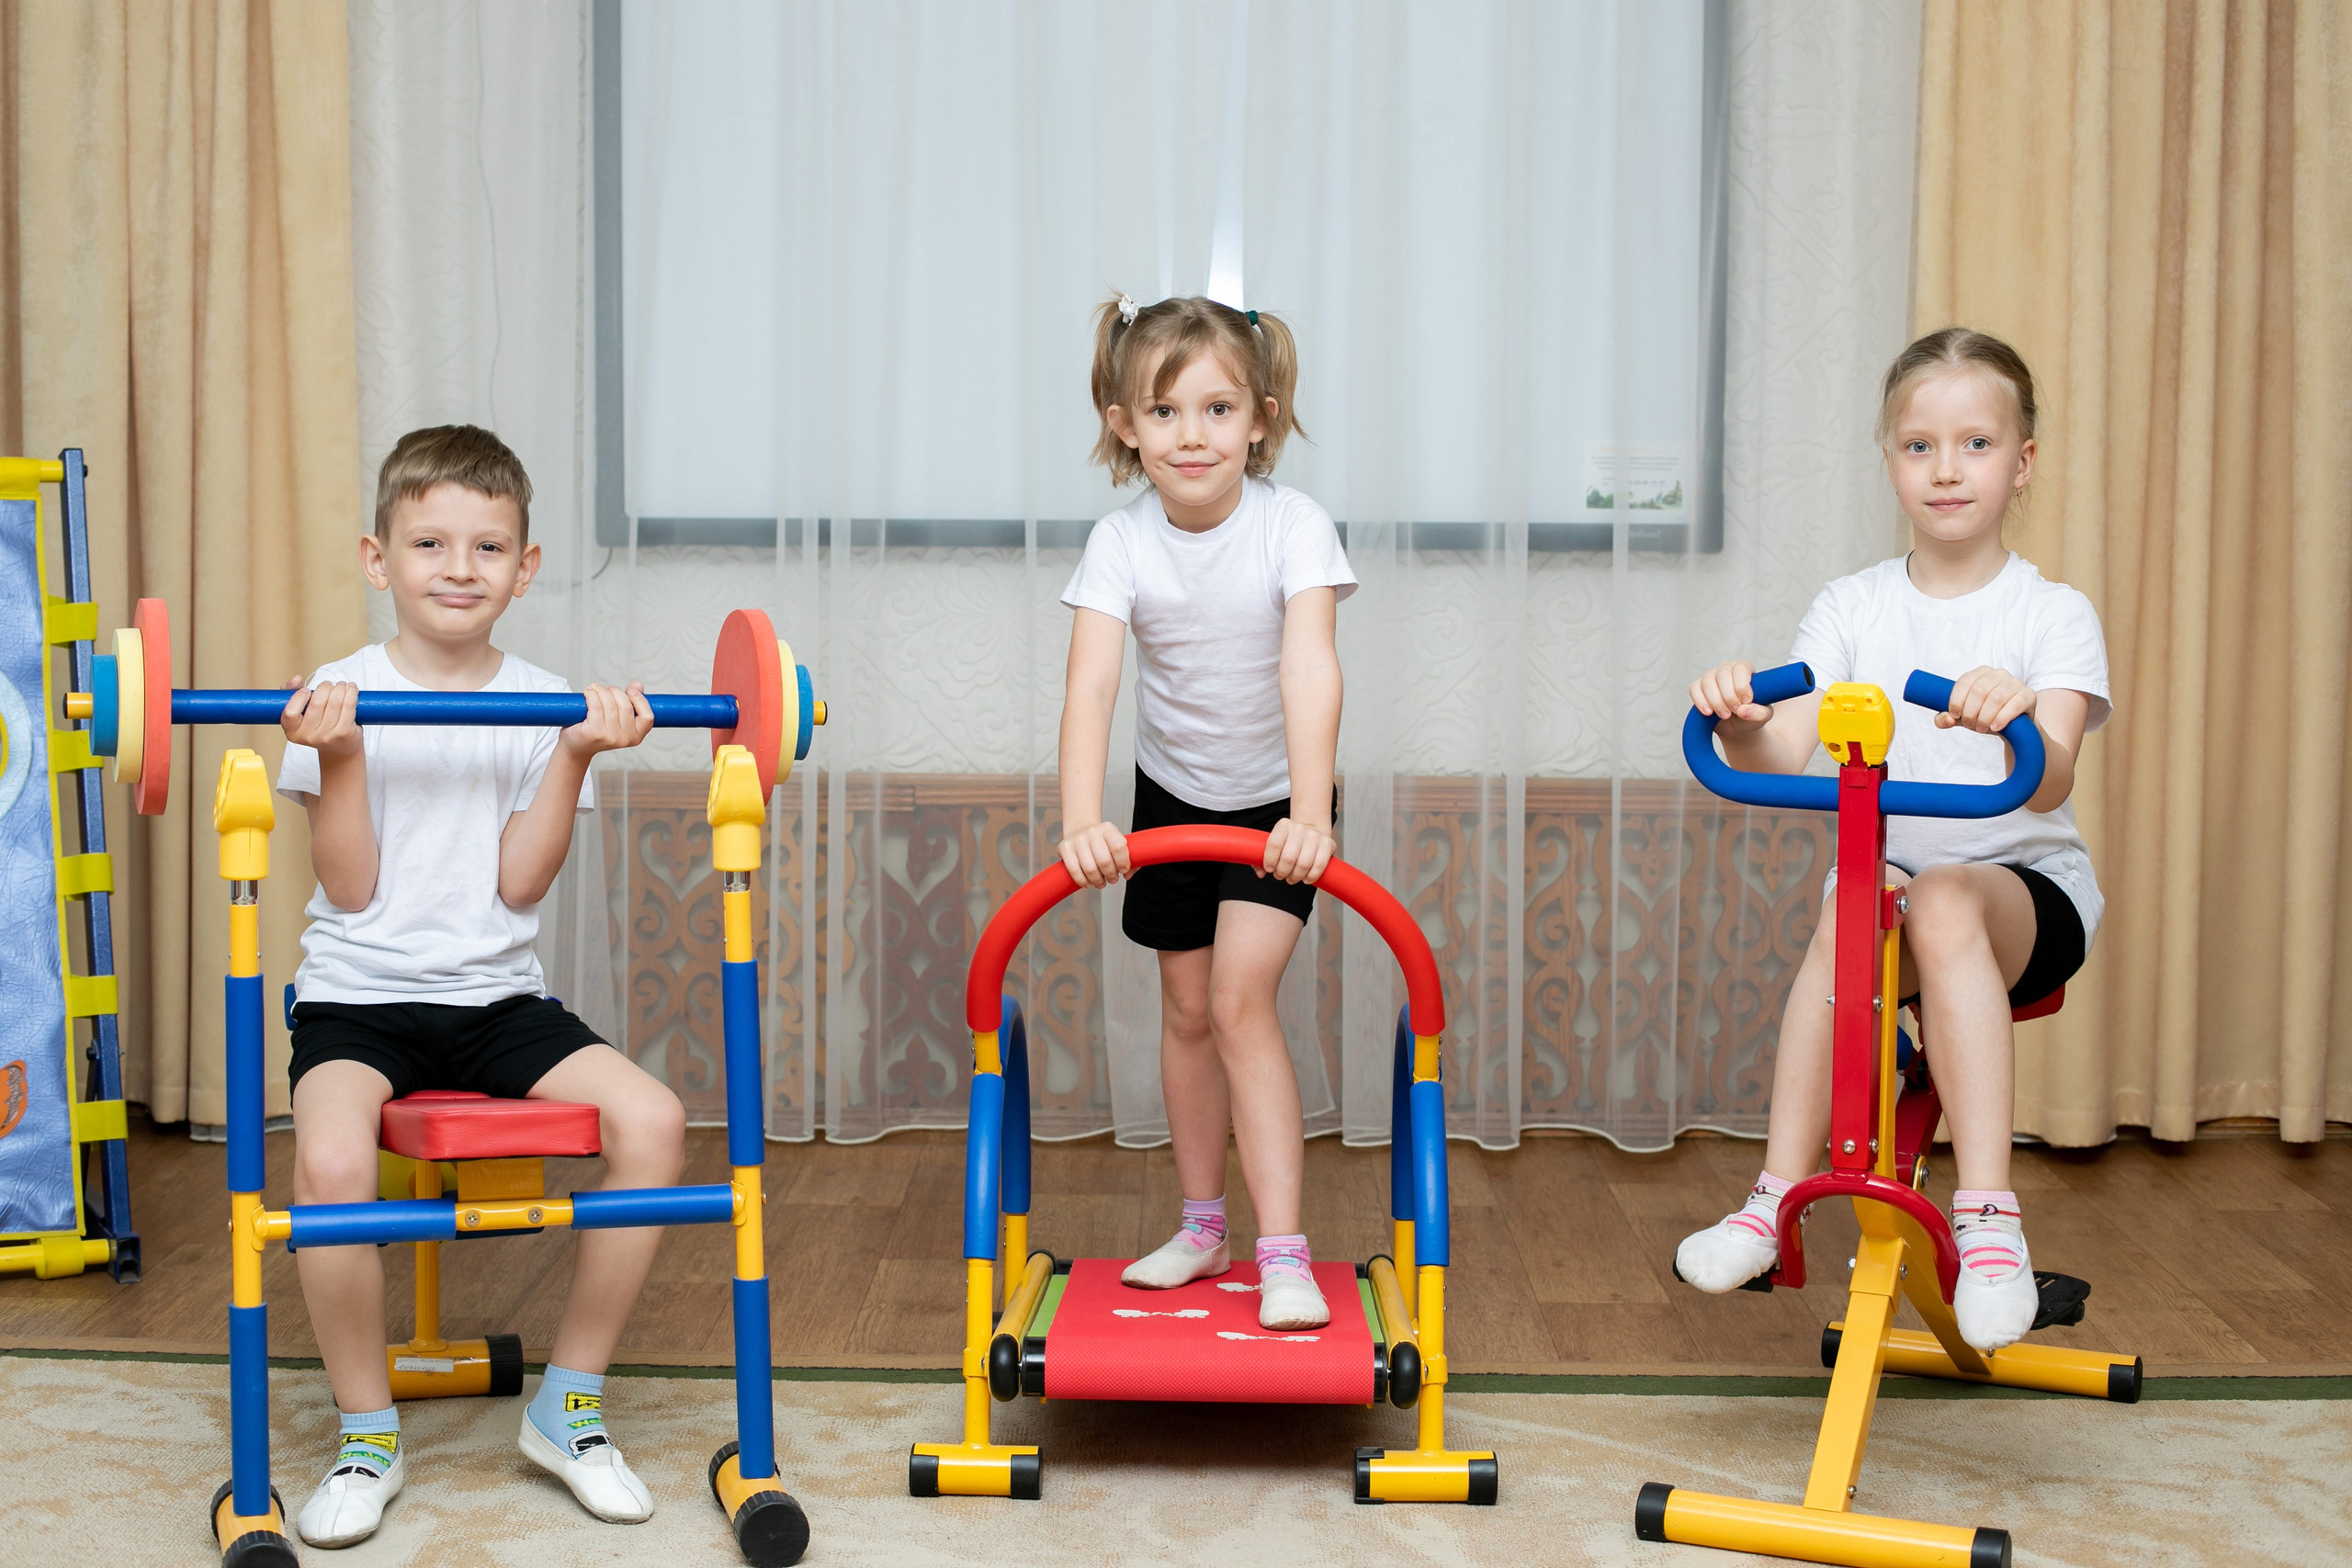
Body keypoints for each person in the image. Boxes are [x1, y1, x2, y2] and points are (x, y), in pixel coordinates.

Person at [276, 424, 678, 1546]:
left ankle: (570, 1406)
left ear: (525, 567)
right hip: (359, 997)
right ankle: (368, 1429)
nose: (459, 567)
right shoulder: (334, 698)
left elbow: (516, 887)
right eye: (431, 542)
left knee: (654, 1123)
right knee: (333, 1159)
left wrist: (579, 752)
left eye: (487, 546)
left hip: (497, 1000)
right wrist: (344, 755)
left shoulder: (546, 703)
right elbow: (350, 893)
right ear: (378, 557)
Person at [1674, 328, 2110, 1355]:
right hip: (1888, 898)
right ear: (1888, 460)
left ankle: (1989, 1220)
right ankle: (1772, 1198)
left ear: (2022, 461)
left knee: (1943, 892)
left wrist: (2012, 715)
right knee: (1858, 896)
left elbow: (2051, 772)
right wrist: (1738, 711)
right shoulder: (1853, 607)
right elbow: (1788, 742)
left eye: (1974, 444)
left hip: (2020, 897)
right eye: (1918, 446)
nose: (1946, 469)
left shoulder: (2050, 613)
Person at [1057, 294, 1353, 1332]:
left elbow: (1309, 665)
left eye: (1218, 410)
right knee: (1185, 1014)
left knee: (1237, 1002)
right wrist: (1080, 819)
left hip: (1280, 798)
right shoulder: (1120, 541)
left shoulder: (1293, 525)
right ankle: (1200, 1227)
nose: (1194, 436)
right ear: (1123, 424)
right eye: (1167, 412)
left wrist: (1311, 812)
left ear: (1261, 418)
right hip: (1169, 795)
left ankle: (1282, 1252)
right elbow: (1091, 684)